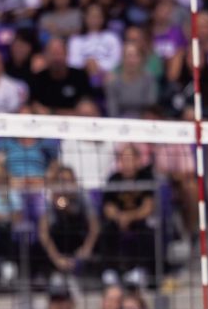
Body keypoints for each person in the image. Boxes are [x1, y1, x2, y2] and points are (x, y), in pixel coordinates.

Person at [100, 144, 156, 283]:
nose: (127, 164)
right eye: (124, 159)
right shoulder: (114, 178)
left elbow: (148, 207)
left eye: (130, 159)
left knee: (146, 230)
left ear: (138, 160)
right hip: (118, 220)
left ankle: (141, 269)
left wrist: (129, 217)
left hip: (139, 219)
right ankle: (110, 271)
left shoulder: (146, 177)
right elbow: (108, 207)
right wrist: (120, 217)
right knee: (106, 229)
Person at [38, 165, 99, 278]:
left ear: (74, 182)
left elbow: (94, 227)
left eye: (68, 181)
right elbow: (43, 233)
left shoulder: (82, 196)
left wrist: (86, 249)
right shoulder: (49, 199)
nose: (65, 185)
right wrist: (57, 259)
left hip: (79, 243)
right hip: (57, 248)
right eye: (61, 181)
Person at [27, 38, 92, 114]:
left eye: (59, 53)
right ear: (45, 56)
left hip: (75, 122)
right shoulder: (37, 79)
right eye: (53, 54)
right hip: (45, 123)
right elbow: (35, 106)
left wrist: (52, 112)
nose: (57, 58)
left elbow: (86, 108)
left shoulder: (80, 76)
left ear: (67, 54)